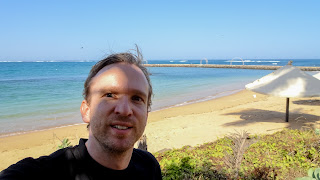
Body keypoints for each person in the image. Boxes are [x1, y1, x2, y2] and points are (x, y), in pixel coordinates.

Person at [0, 48, 162, 180]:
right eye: (109, 95)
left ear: (146, 115)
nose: (125, 110)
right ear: (86, 110)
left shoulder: (149, 166)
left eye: (137, 98)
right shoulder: (38, 174)